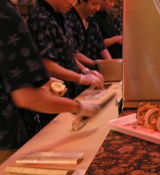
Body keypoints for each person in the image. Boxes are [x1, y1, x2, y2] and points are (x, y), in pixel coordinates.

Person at [0, 0, 100, 161]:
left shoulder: (62, 17)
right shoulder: (11, 15)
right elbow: (26, 97)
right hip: (6, 135)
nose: (74, 3)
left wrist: (43, 81)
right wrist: (78, 106)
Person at [27, 0, 104, 100]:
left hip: (72, 90)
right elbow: (46, 64)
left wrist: (85, 70)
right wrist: (80, 78)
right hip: (53, 94)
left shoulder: (63, 15)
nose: (73, 3)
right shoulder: (39, 19)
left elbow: (68, 53)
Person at [67, 0, 112, 68]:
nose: (97, 8)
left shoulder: (92, 21)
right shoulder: (68, 19)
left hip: (93, 69)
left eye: (99, 4)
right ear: (82, 1)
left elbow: (101, 47)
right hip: (76, 70)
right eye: (94, 4)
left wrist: (111, 64)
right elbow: (73, 52)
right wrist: (96, 64)